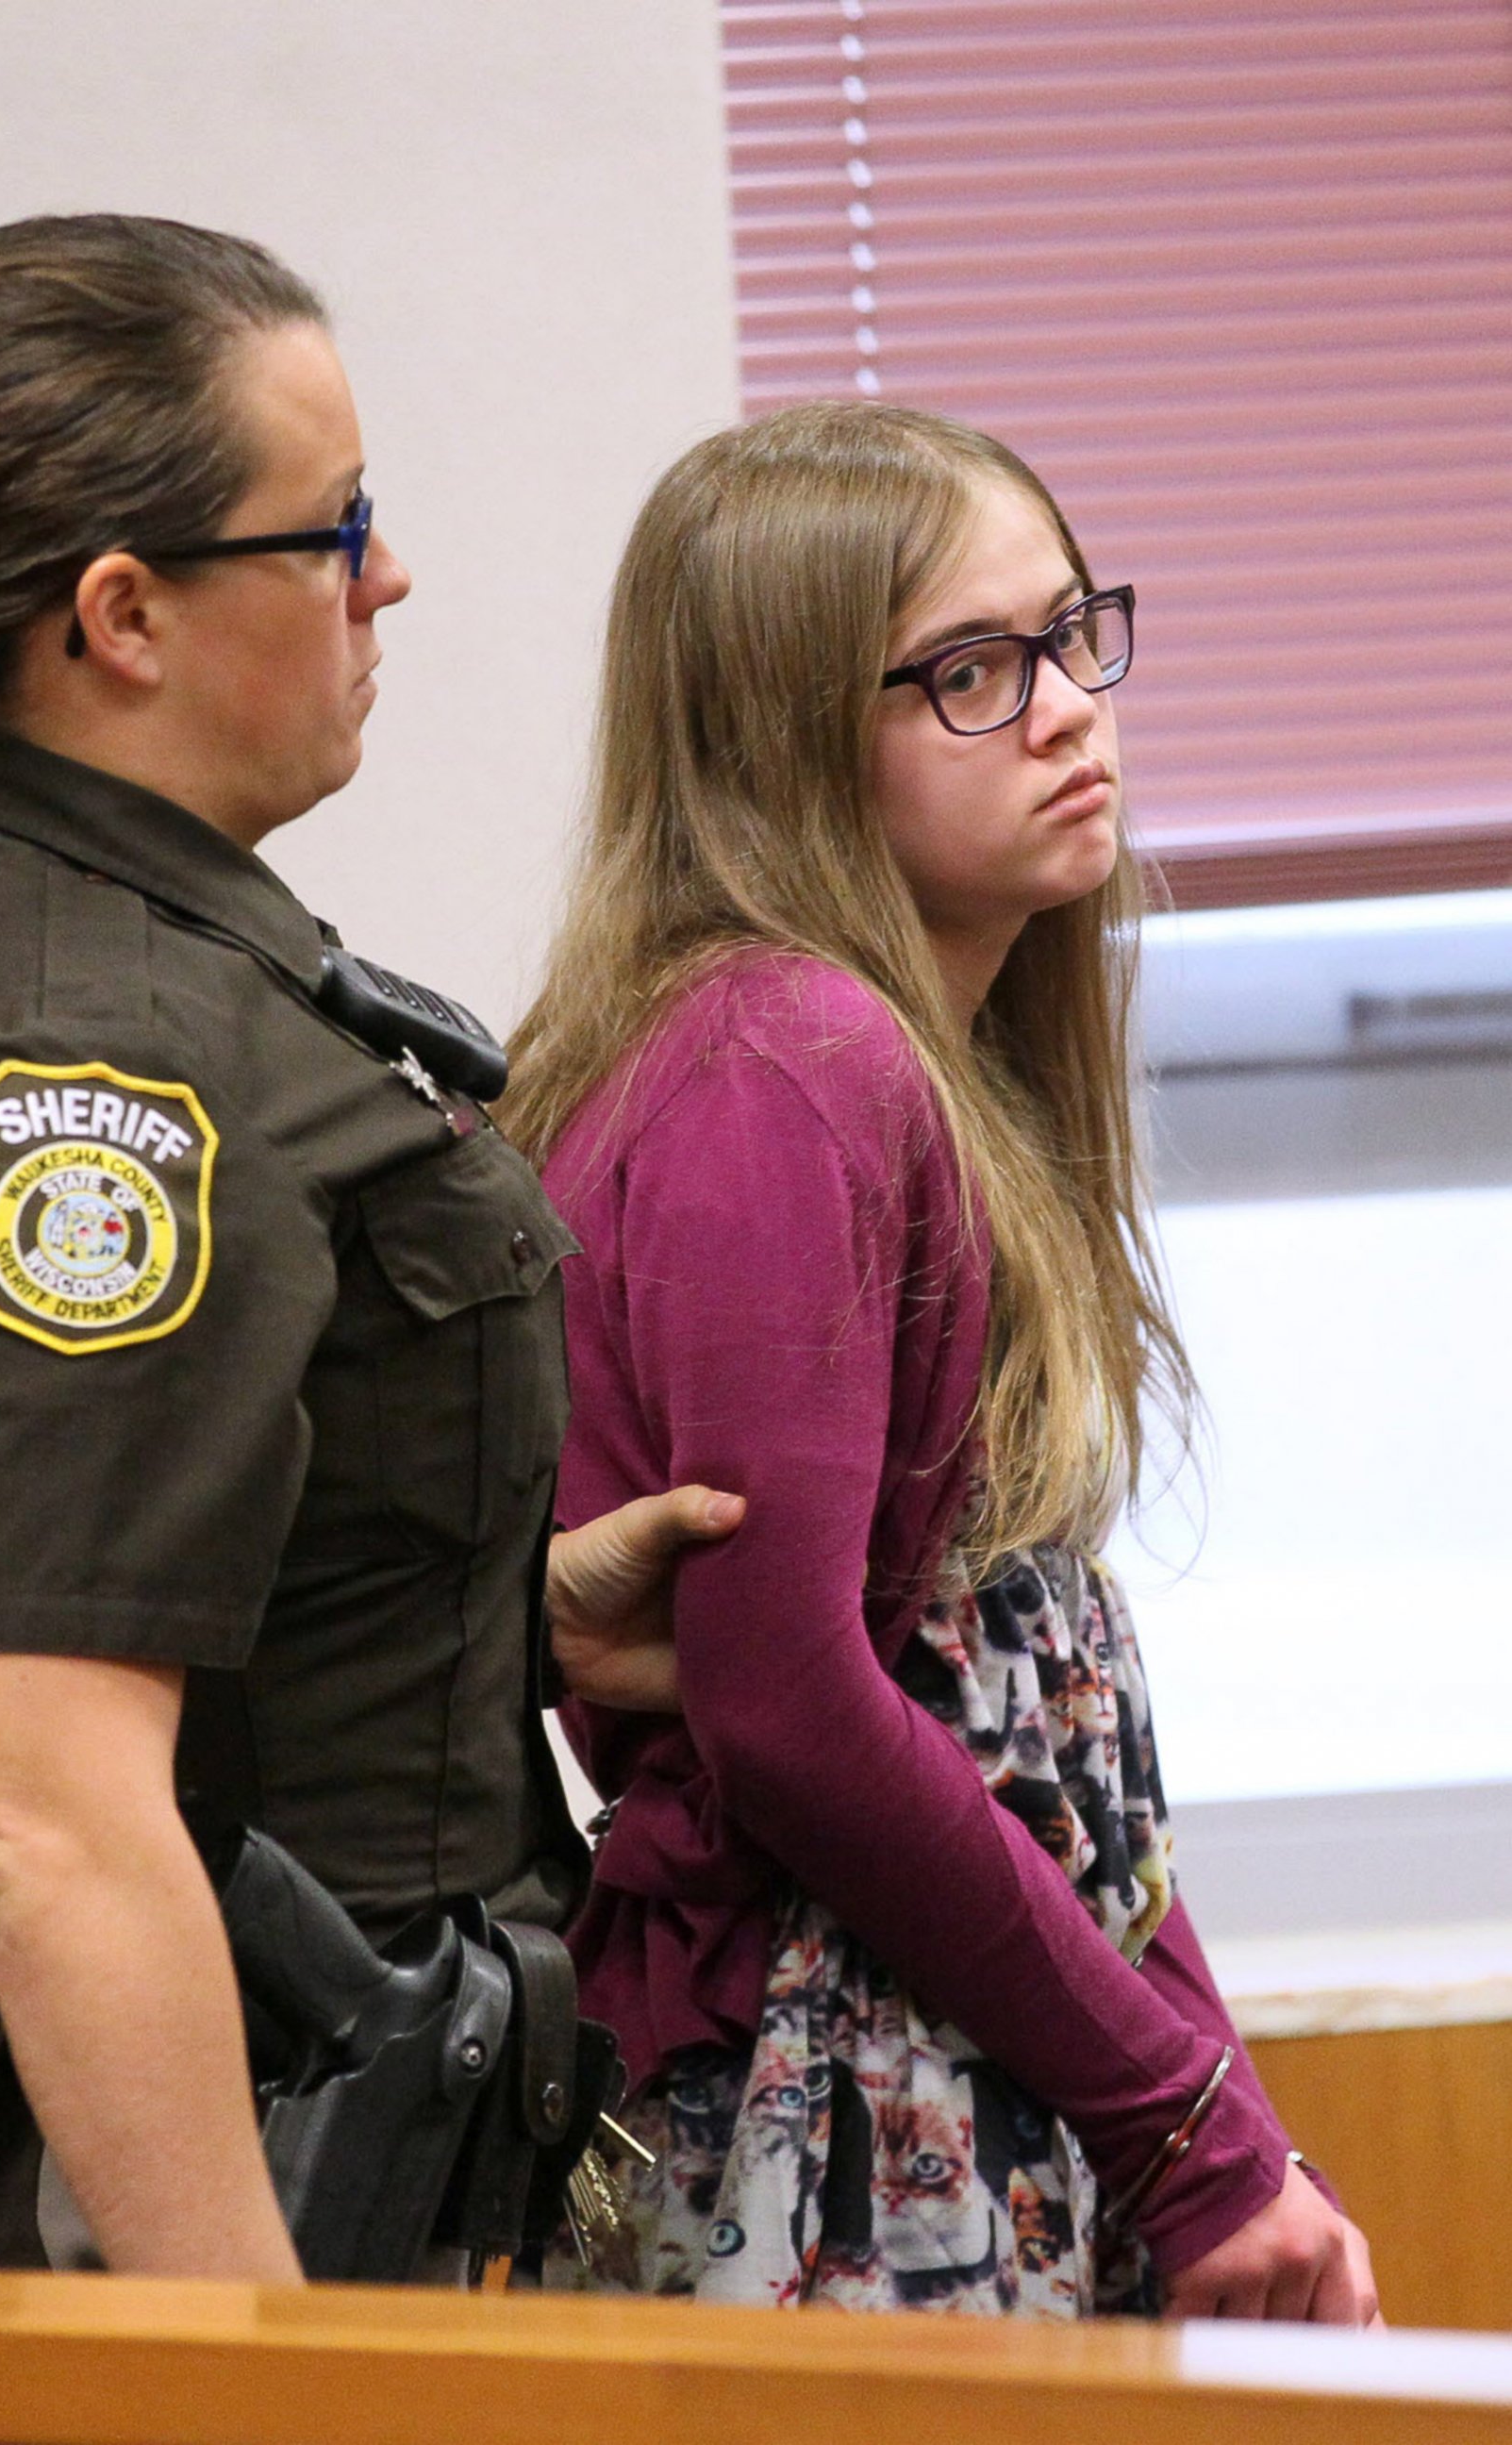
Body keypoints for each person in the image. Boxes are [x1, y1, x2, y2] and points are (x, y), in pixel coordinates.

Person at [0, 212, 736, 2279]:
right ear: (125, 615)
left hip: (226, 2165)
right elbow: (50, 1824)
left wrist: (483, 1596)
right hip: (198, 2218)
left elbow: (27, 1580)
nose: (386, 576)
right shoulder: (90, 1059)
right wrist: (255, 2396)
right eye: (336, 528)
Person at [500, 403, 1380, 2321]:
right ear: (788, 733)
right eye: (968, 674)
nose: (1069, 708)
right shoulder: (784, 1062)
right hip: (830, 2106)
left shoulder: (893, 1059)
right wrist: (1188, 2129)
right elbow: (795, 1711)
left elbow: (1044, 1748)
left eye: (1073, 637)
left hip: (978, 2059)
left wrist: (1234, 2131)